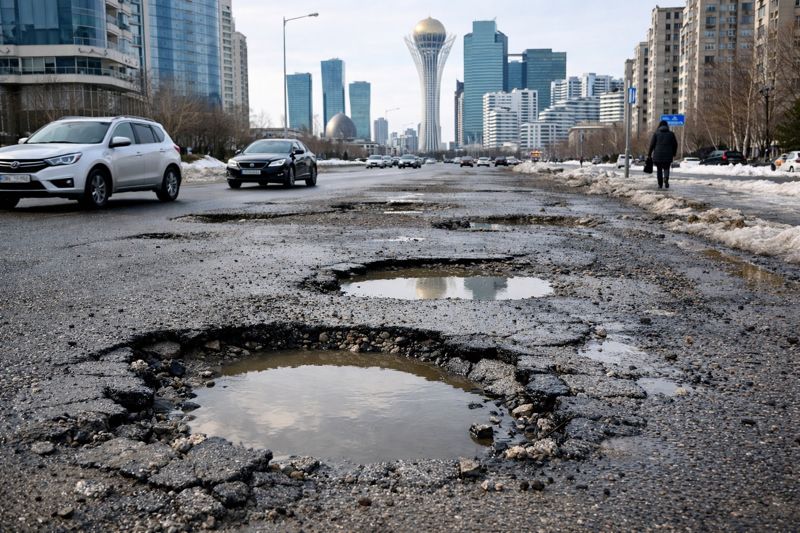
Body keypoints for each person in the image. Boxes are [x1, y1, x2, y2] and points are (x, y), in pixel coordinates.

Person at [648, 120, 678, 189]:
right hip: (668, 155)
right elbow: (675, 144)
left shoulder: (656, 134)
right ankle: (666, 178)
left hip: (658, 155)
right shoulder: (671, 134)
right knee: (667, 167)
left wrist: (649, 154)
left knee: (659, 169)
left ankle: (660, 184)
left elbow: (652, 145)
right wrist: (674, 153)